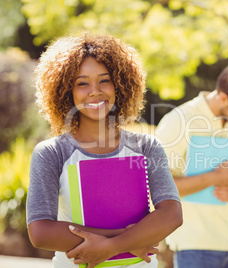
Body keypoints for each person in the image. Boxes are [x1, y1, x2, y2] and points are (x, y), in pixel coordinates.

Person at [26, 33, 183, 268]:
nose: (95, 91)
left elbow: (171, 214)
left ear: (120, 85)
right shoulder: (51, 153)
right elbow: (40, 231)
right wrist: (126, 239)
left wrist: (110, 247)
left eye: (104, 80)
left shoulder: (147, 147)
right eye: (82, 83)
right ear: (65, 91)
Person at [155, 63, 228, 268]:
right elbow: (158, 187)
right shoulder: (179, 120)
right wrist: (213, 178)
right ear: (223, 97)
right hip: (194, 244)